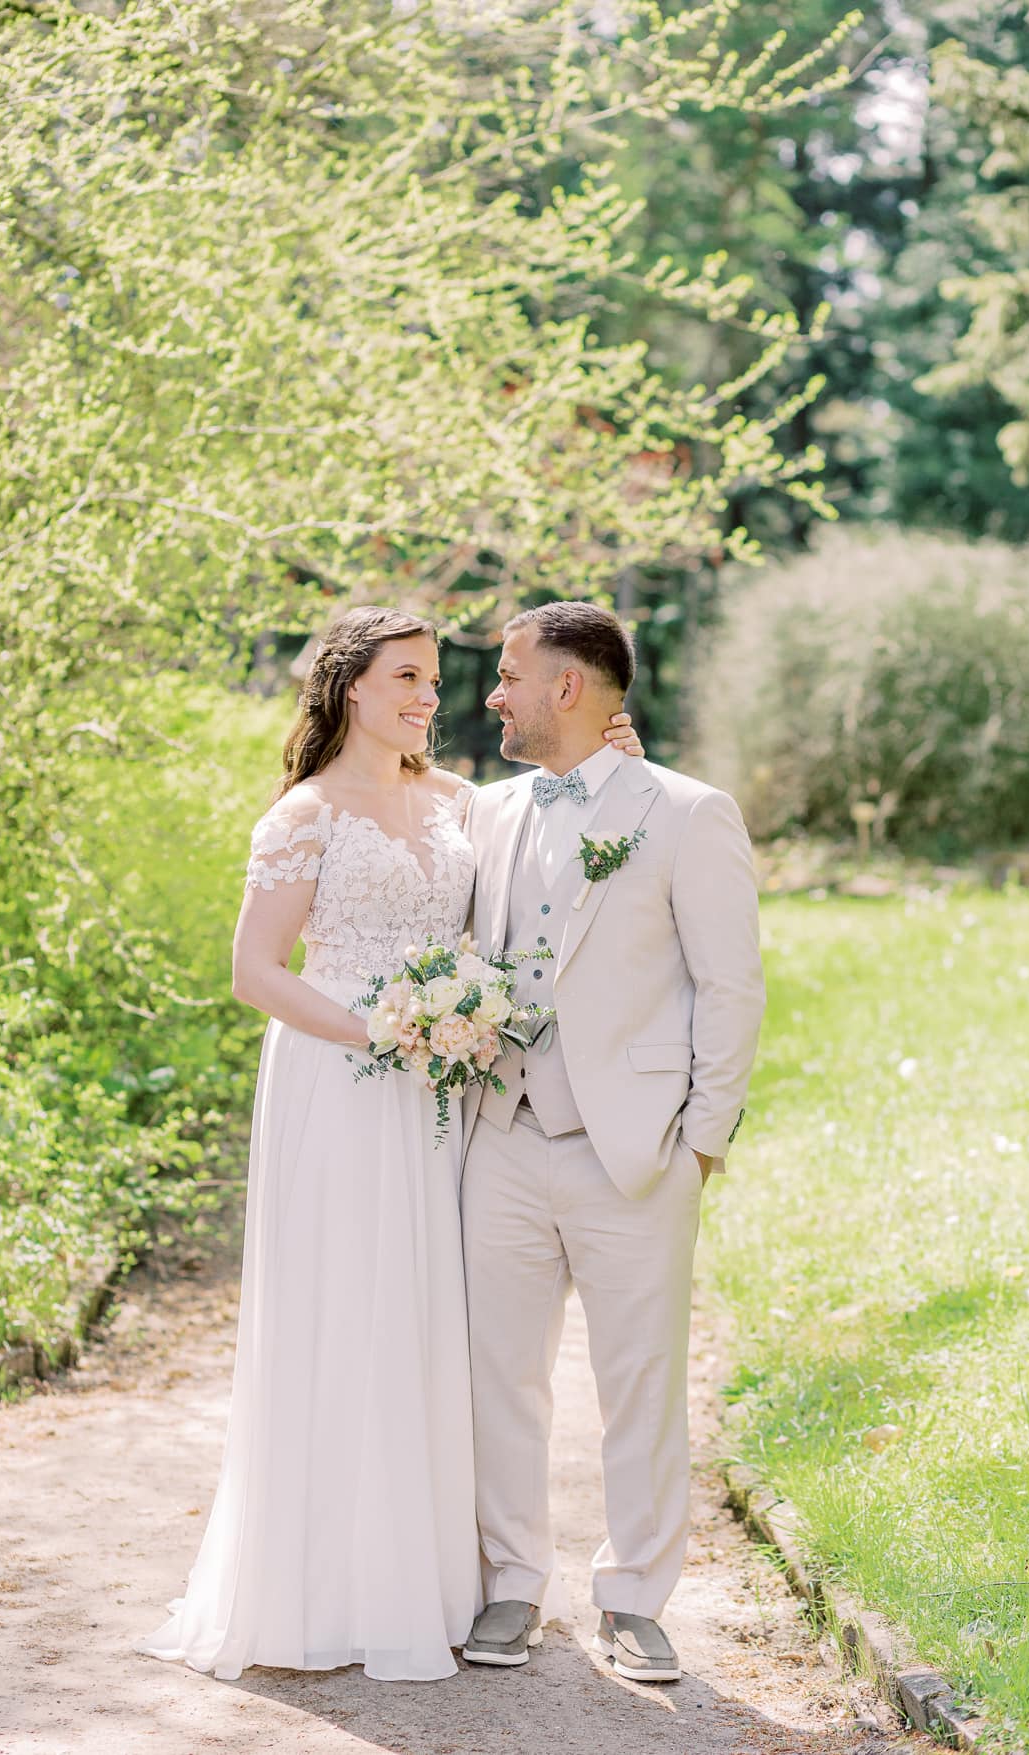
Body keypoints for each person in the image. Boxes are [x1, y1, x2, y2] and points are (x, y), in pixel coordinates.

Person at [136, 605, 641, 1683]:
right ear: (350, 687)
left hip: (442, 1093)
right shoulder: (305, 816)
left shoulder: (464, 803)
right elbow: (257, 973)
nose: (428, 697)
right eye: (407, 677)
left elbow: (562, 833)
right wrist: (385, 1028)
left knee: (428, 1317)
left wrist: (615, 760)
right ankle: (327, 1585)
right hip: (341, 1081)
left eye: (436, 679)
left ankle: (433, 1581)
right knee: (344, 1308)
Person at [460, 600, 765, 1682]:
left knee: (640, 1383)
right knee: (499, 1377)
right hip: (502, 1134)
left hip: (635, 1148)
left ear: (570, 688)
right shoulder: (487, 812)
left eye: (509, 675)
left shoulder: (686, 813)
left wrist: (704, 1143)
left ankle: (635, 1601)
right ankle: (508, 1585)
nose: (493, 693)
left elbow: (731, 987)